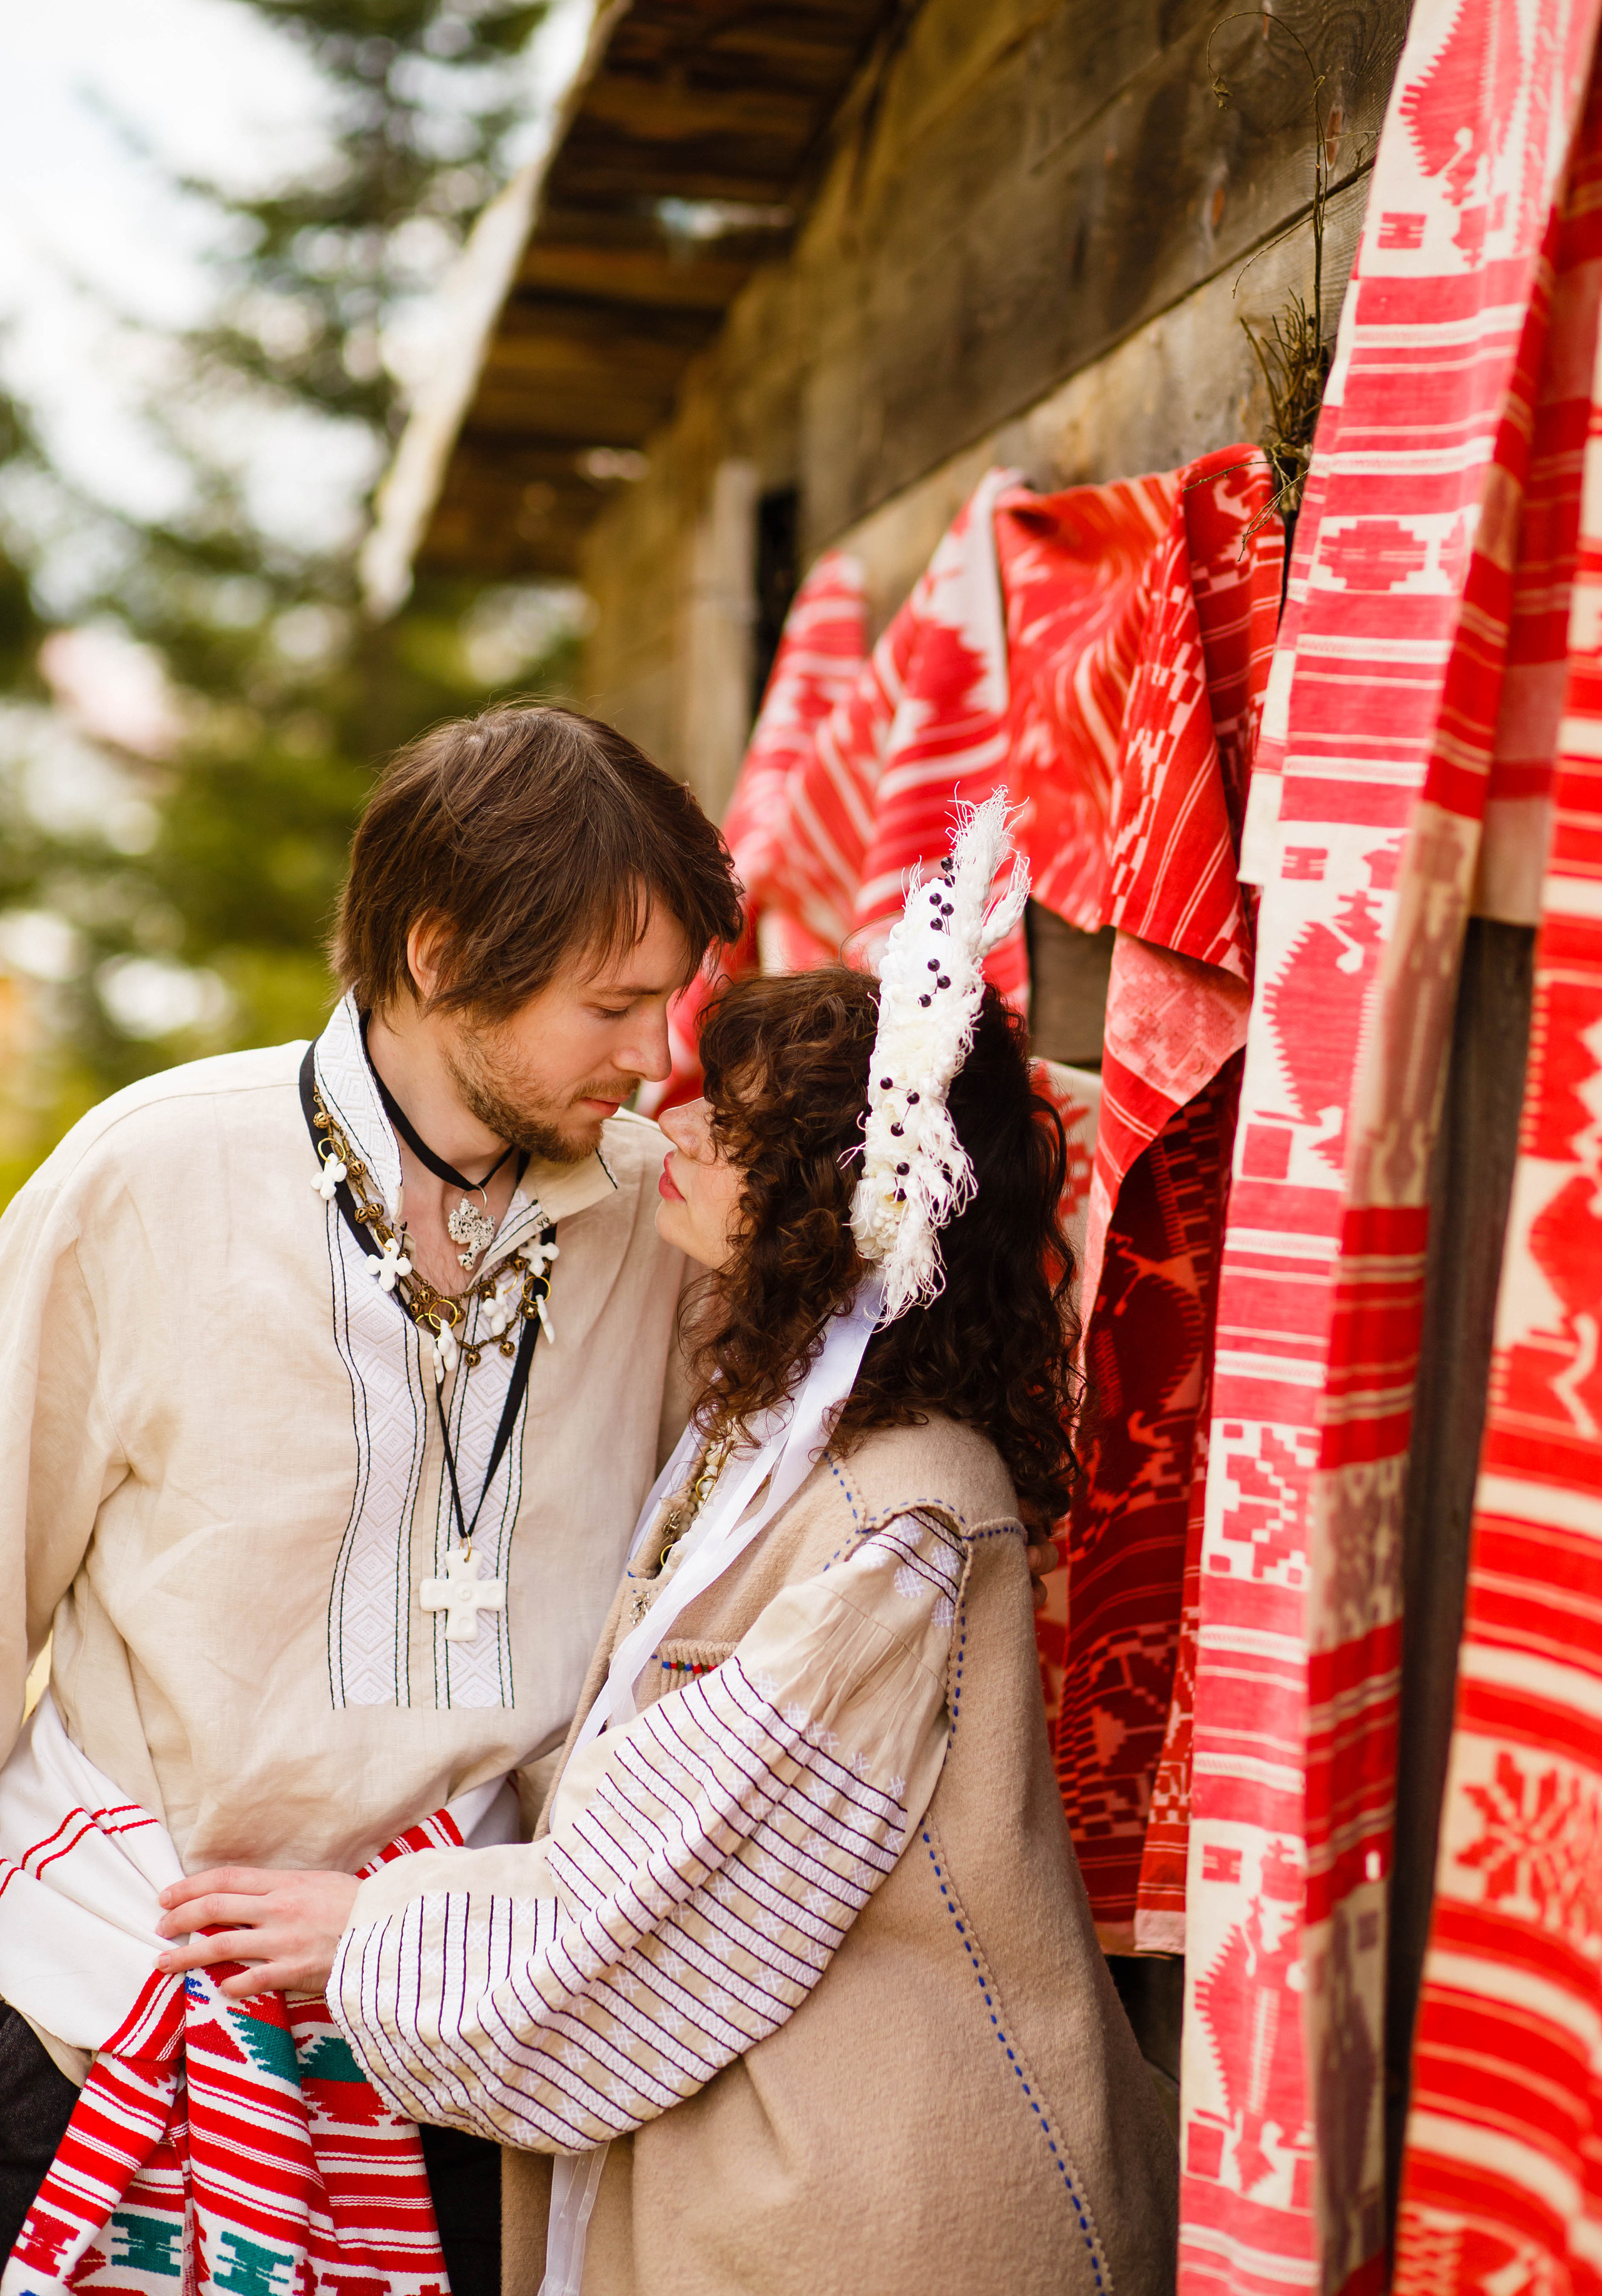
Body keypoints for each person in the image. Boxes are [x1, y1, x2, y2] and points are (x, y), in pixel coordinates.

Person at [149, 800, 1179, 2296]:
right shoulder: (780, 1434)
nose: (674, 1122)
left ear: (834, 1199)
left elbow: (690, 1878)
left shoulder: (904, 1509)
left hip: (880, 2205)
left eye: (734, 1122)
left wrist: (372, 1924)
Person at [0, 705, 743, 2296]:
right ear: (435, 949)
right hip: (97, 2011)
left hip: (478, 2032)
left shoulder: (650, 1222)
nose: (650, 1054)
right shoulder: (150, 1173)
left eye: (665, 1001)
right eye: (610, 1004)